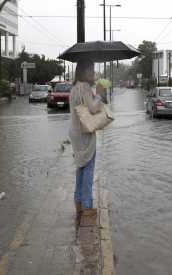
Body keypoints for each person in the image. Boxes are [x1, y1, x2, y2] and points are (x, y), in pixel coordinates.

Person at [69, 59, 104, 226]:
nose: (93, 73)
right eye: (91, 70)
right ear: (83, 72)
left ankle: (78, 203)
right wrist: (100, 94)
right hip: (85, 134)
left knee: (80, 167)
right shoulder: (85, 87)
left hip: (75, 133)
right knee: (88, 168)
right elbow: (93, 108)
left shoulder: (74, 88)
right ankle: (87, 206)